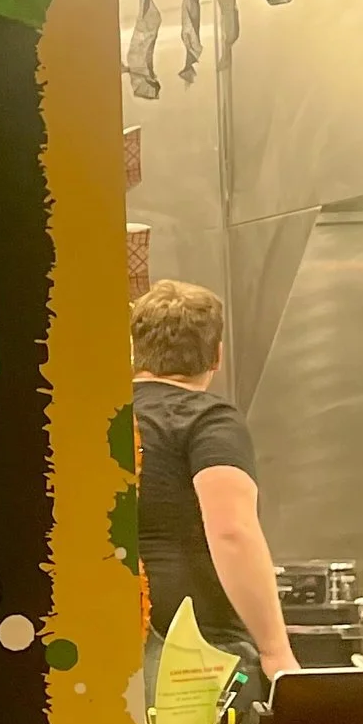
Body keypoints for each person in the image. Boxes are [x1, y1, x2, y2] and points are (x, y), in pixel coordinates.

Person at [132, 278, 298, 684]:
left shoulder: (102, 417)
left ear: (138, 350)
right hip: (198, 650)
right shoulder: (206, 418)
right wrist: (276, 650)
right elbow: (232, 531)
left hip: (114, 638)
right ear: (217, 355)